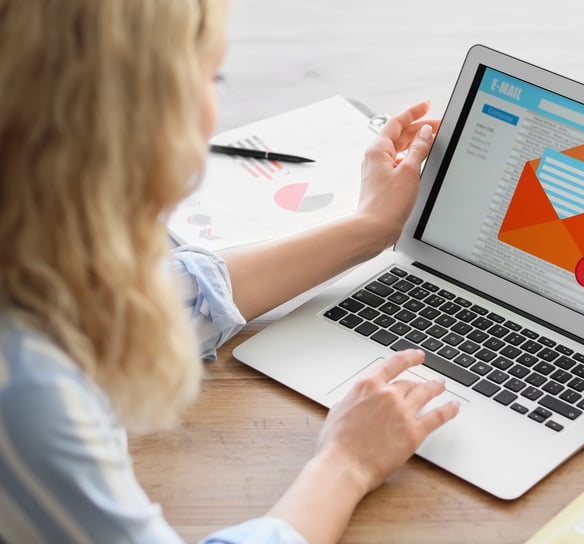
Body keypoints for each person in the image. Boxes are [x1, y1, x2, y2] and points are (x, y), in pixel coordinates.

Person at [0, 1, 459, 543]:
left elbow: (155, 295)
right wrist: (346, 465)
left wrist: (370, 228)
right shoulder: (28, 394)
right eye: (210, 76)